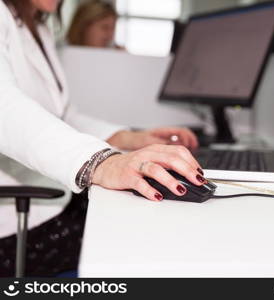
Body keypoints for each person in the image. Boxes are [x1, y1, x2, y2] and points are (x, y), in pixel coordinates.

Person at [0, 0, 205, 277]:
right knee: (146, 242)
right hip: (18, 226)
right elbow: (5, 109)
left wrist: (131, 138)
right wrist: (101, 163)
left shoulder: (37, 26)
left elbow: (62, 114)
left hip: (55, 196)